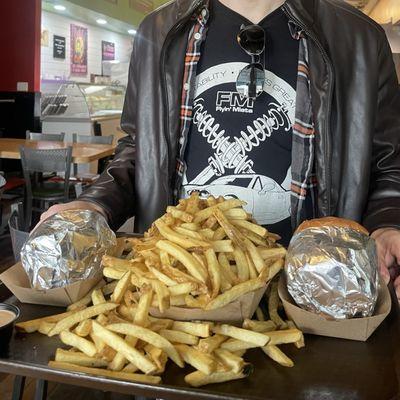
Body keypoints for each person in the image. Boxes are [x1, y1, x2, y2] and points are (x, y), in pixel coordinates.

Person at [41, 0, 400, 293]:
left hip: (321, 290)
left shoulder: (359, 38)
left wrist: (386, 224)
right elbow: (138, 148)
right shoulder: (158, 31)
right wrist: (92, 203)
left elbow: (389, 162)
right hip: (178, 290)